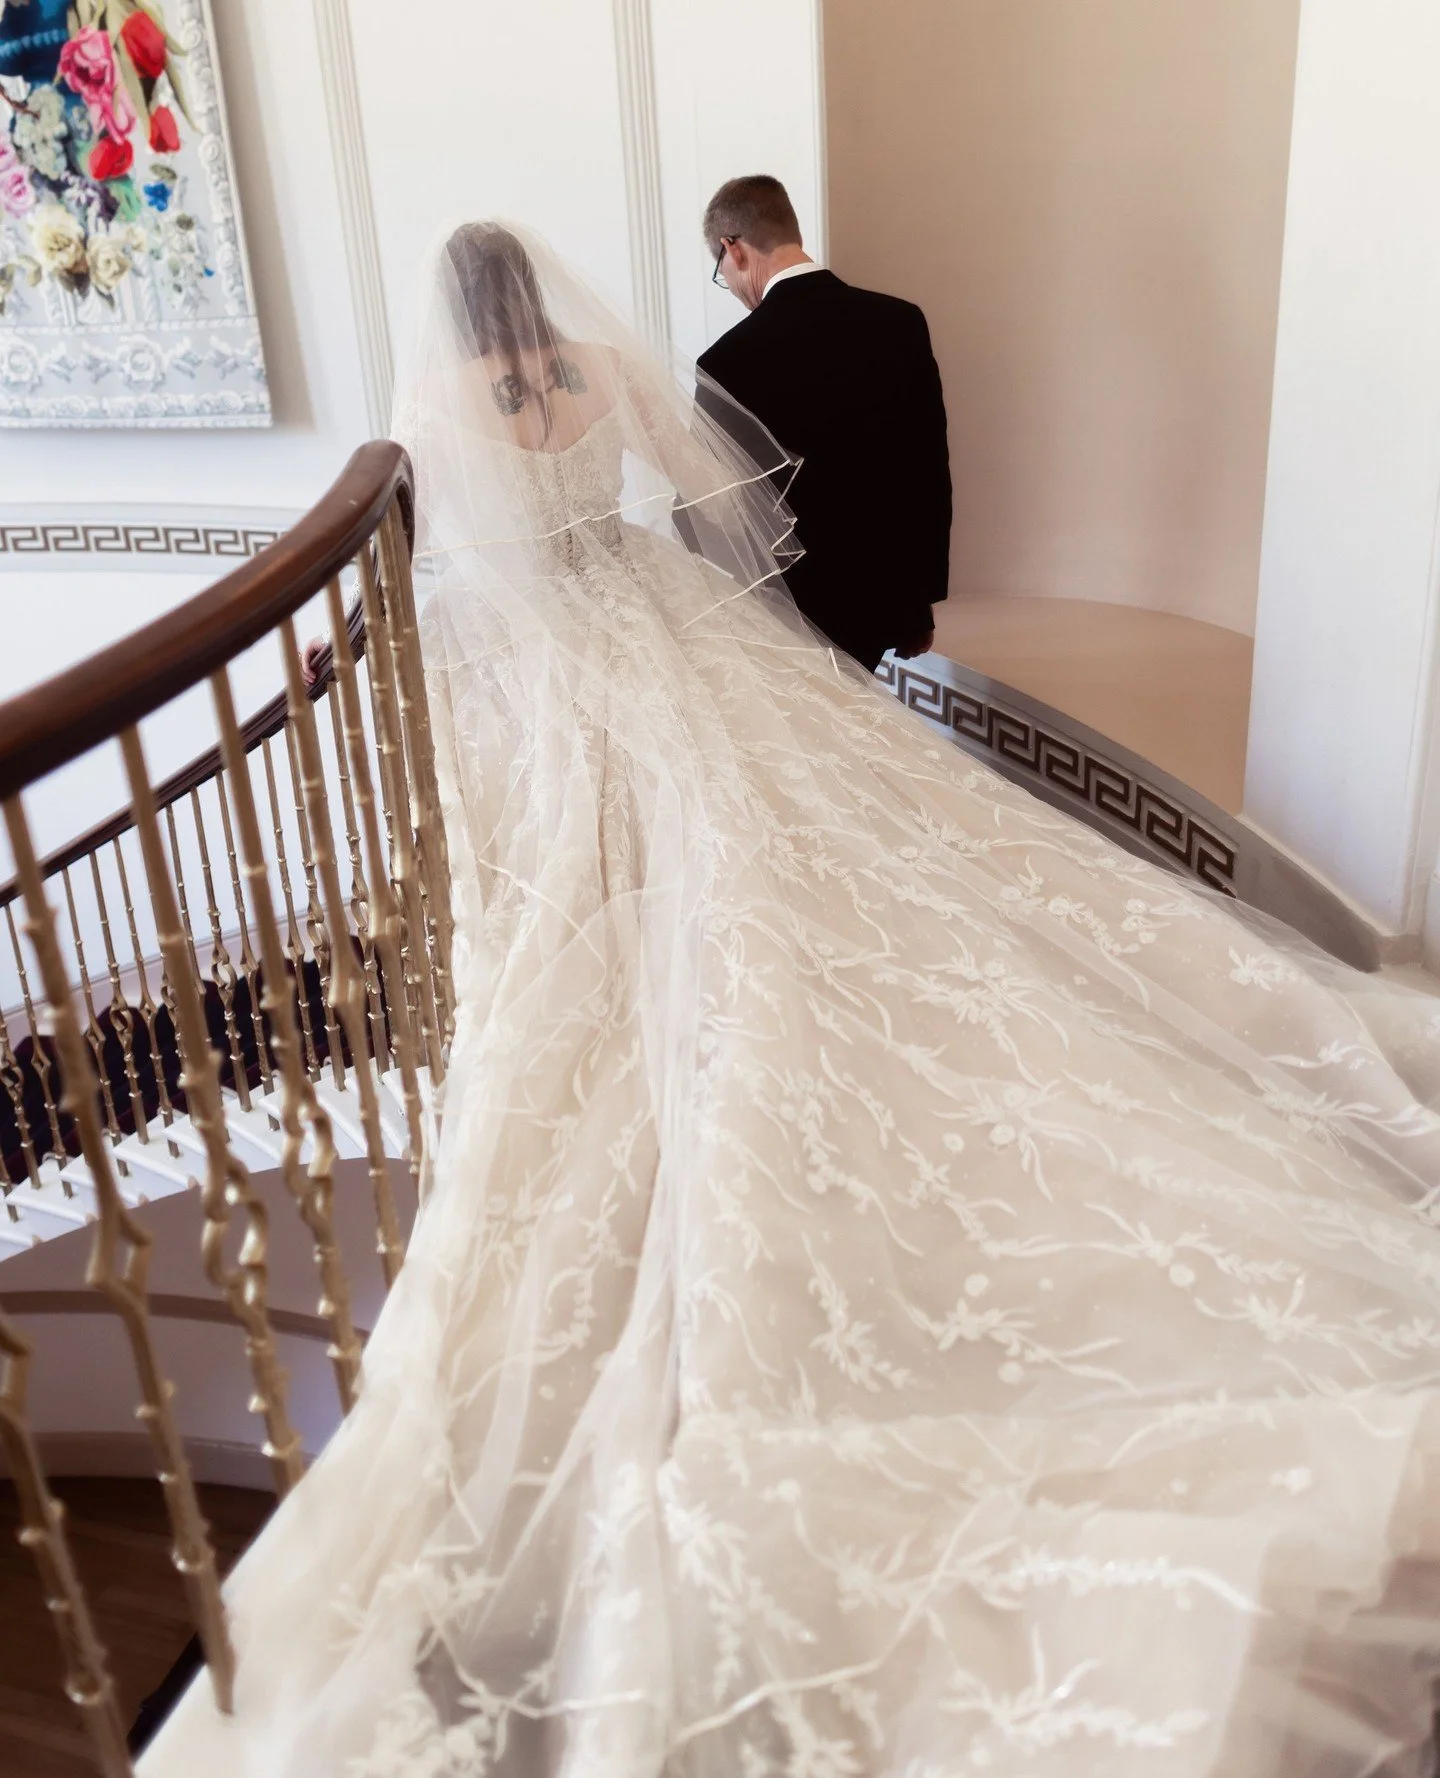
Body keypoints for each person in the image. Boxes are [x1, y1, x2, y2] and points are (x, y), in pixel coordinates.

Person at [168, 222, 1440, 1778]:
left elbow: (434, 549)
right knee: (796, 828)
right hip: (652, 613)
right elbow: (717, 502)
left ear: (448, 310)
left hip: (536, 646)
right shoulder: (607, 370)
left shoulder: (435, 404)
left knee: (591, 856)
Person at [697, 174, 951, 671]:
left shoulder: (726, 361)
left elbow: (710, 504)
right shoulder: (900, 323)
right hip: (880, 603)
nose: (726, 284)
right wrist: (917, 605)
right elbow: (926, 470)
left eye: (719, 269)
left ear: (734, 248)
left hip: (781, 613)